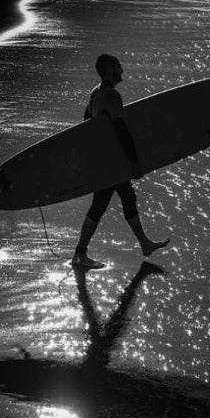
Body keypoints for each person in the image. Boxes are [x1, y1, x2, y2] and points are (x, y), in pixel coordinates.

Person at [71, 54, 170, 269]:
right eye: (117, 67)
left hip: (106, 160)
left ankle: (145, 243)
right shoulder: (112, 96)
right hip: (111, 163)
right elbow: (122, 131)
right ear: (108, 70)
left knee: (127, 197)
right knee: (100, 205)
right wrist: (134, 162)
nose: (121, 70)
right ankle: (79, 253)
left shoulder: (95, 93)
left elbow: (86, 124)